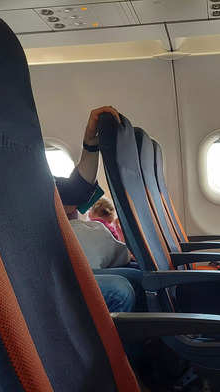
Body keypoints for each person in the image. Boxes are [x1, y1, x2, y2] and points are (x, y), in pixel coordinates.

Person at [57, 106, 136, 313]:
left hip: (66, 262)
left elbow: (78, 188)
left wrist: (91, 139)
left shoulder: (41, 180)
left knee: (139, 277)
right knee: (120, 290)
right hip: (52, 270)